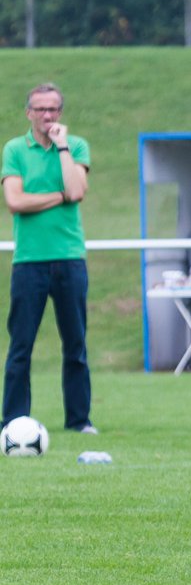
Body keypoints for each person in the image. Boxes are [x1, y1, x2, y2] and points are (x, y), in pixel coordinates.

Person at [2, 82, 95, 434]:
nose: (47, 115)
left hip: (70, 258)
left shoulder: (75, 146)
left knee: (75, 345)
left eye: (53, 109)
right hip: (29, 261)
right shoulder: (14, 149)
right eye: (40, 109)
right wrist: (60, 195)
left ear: (60, 112)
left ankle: (79, 420)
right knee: (21, 346)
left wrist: (62, 147)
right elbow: (16, 202)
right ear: (29, 113)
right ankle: (12, 421)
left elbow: (78, 190)